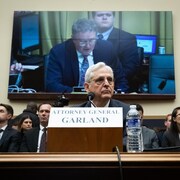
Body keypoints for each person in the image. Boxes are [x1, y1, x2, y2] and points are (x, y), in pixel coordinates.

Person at [46, 18, 129, 93]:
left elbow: (121, 80)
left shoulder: (107, 49)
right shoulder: (59, 52)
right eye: (83, 42)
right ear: (73, 39)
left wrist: (117, 94)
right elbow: (52, 85)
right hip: (72, 100)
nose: (88, 46)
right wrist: (80, 94)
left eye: (92, 40)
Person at [73, 62, 130, 137]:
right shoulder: (76, 114)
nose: (106, 84)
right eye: (100, 80)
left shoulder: (126, 112)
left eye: (110, 80)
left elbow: (129, 141)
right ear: (87, 87)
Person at [92, 11, 140, 92]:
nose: (104, 17)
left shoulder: (127, 38)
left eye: (108, 15)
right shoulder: (86, 36)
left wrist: (104, 80)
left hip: (116, 85)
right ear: (93, 18)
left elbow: (129, 68)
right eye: (100, 15)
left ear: (113, 18)